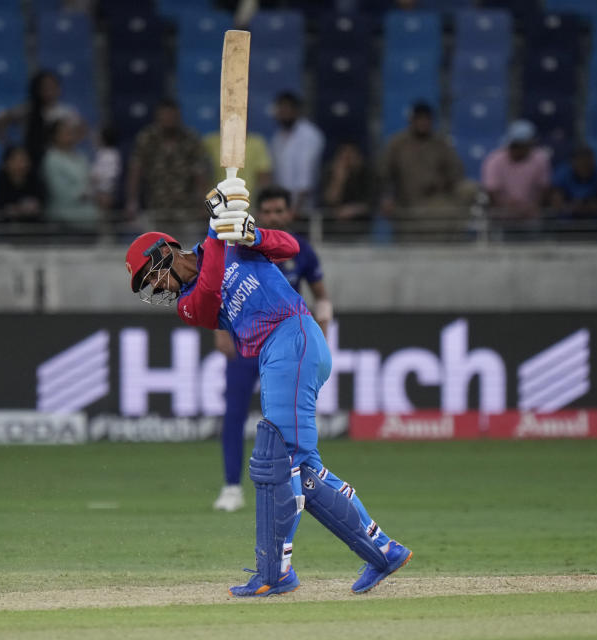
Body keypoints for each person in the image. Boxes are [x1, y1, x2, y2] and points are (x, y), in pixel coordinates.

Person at [123, 175, 410, 596]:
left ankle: (275, 573)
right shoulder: (188, 305)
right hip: (279, 352)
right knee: (301, 470)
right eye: (151, 287)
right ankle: (382, 552)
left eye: (154, 276)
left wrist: (250, 232)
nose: (159, 287)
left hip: (293, 335)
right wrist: (218, 226)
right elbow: (207, 290)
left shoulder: (231, 240)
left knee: (278, 462)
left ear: (164, 250)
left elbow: (291, 249)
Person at [212, 185, 332, 513]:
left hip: (288, 346)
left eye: (281, 211)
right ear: (259, 214)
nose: (275, 216)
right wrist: (220, 331)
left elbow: (321, 296)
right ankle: (232, 487)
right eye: (269, 211)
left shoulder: (301, 250)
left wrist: (322, 330)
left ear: (290, 213)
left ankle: (299, 484)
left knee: (287, 420)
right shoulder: (242, 243)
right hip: (246, 344)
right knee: (234, 413)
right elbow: (221, 285)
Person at [379, 101, 469, 239]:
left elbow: (457, 171)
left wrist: (441, 182)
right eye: (419, 119)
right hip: (407, 202)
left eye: (427, 119)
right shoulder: (397, 144)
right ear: (411, 120)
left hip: (437, 198)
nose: (423, 122)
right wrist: (387, 196)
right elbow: (383, 173)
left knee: (468, 190)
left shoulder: (440, 143)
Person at [124, 98, 210, 232]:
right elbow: (136, 170)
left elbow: (200, 173)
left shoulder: (190, 138)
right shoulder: (147, 138)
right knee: (155, 250)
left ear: (178, 116)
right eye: (165, 116)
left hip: (186, 209)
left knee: (186, 250)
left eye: (172, 116)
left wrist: (204, 203)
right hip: (156, 207)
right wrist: (132, 202)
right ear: (158, 117)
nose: (168, 120)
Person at [0, 70, 83, 166]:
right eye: (45, 87)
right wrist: (8, 143)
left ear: (59, 88)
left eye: (52, 86)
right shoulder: (27, 109)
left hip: (60, 161)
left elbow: (82, 130)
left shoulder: (67, 112)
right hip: (34, 159)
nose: (49, 91)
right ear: (37, 89)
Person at [481, 119, 551, 237]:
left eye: (524, 145)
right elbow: (492, 192)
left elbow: (543, 189)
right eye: (515, 145)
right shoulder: (494, 160)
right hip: (502, 213)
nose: (519, 149)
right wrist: (507, 207)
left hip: (531, 213)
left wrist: (533, 207)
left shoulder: (541, 159)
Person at [42, 118, 99, 235]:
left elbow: (91, 182)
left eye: (71, 131)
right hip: (65, 222)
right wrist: (86, 192)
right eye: (65, 132)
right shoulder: (51, 159)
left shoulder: (81, 157)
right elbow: (61, 192)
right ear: (54, 136)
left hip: (89, 220)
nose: (70, 134)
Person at [270, 92, 324, 213]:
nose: (283, 114)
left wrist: (295, 209)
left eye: (286, 109)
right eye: (280, 110)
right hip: (283, 207)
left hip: (304, 207)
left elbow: (306, 176)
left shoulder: (309, 134)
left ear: (296, 110)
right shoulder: (277, 138)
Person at [548, 145, 597, 238]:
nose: (585, 165)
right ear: (573, 162)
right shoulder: (562, 173)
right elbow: (556, 204)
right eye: (581, 162)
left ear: (593, 161)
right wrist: (572, 207)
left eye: (588, 162)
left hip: (593, 224)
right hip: (567, 225)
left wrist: (592, 206)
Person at [322, 141, 377, 240]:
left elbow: (371, 202)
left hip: (360, 230)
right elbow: (329, 201)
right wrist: (339, 180)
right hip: (334, 231)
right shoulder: (330, 173)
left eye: (350, 156)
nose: (347, 161)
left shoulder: (366, 174)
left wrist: (352, 210)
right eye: (344, 157)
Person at [0, 145, 46, 233]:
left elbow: (42, 201)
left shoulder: (35, 179)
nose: (21, 165)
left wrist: (33, 207)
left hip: (32, 228)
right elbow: (0, 205)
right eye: (16, 160)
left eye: (24, 160)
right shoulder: (0, 180)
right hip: (4, 228)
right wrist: (14, 209)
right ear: (6, 163)